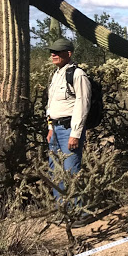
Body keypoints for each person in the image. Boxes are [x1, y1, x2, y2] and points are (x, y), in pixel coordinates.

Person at [47, 37, 92, 200]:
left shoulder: (77, 74)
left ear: (68, 53)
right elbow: (51, 103)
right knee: (55, 169)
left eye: (58, 52)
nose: (53, 55)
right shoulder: (56, 74)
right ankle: (62, 210)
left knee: (71, 170)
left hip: (68, 130)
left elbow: (82, 104)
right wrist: (50, 127)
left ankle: (79, 212)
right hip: (56, 130)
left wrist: (75, 134)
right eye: (52, 52)